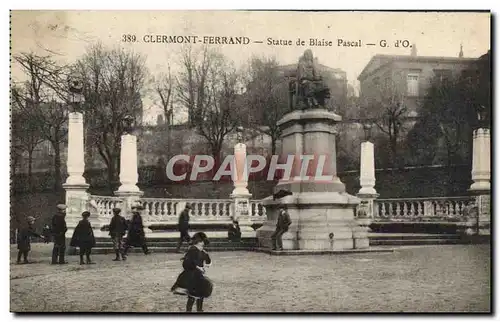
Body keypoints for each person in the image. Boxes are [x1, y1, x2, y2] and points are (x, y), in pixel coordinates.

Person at [171, 232, 213, 312]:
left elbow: (208, 261)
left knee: (200, 293)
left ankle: (199, 310)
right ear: (199, 241)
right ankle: (189, 311)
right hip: (192, 276)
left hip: (199, 276)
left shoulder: (202, 251)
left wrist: (204, 267)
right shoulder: (192, 250)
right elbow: (187, 263)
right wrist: (198, 267)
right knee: (192, 295)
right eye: (202, 242)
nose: (202, 244)